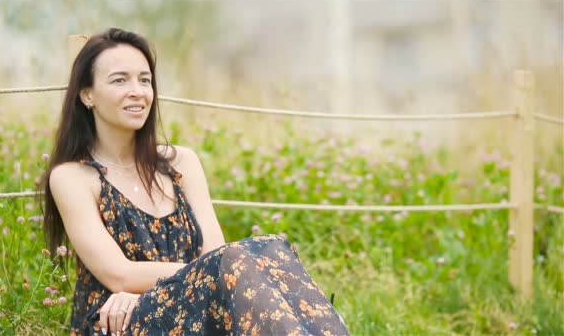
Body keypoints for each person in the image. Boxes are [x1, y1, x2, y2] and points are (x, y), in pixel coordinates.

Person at [42, 27, 350, 336]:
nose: (137, 90)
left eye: (145, 80)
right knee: (238, 264)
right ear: (87, 94)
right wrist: (213, 273)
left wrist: (214, 273)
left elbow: (214, 253)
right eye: (119, 80)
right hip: (120, 320)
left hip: (192, 307)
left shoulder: (181, 162)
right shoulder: (72, 177)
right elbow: (119, 275)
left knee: (267, 249)